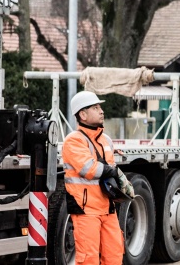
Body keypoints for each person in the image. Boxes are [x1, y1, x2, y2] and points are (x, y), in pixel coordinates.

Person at [62, 91, 134, 265]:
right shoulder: (74, 140)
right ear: (83, 114)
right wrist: (114, 171)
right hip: (86, 210)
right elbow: (89, 169)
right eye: (95, 107)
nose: (101, 111)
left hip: (107, 208)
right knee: (88, 258)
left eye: (100, 107)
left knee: (115, 255)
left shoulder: (106, 140)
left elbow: (108, 169)